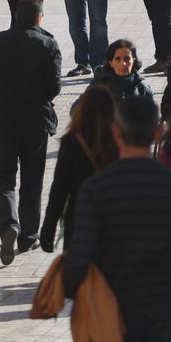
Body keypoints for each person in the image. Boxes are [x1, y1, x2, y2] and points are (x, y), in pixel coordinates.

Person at [63, 94, 171, 342]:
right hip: (168, 306)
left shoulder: (96, 189)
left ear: (115, 131)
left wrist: (70, 288)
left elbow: (81, 253)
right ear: (158, 131)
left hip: (114, 308)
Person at [0, 0, 62, 263]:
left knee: (4, 179)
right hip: (36, 122)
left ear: (15, 16)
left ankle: (9, 226)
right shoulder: (49, 44)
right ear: (39, 18)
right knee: (32, 180)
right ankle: (28, 236)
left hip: (2, 121)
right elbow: (54, 87)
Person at [39, 85, 119, 252]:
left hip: (79, 219)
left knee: (78, 274)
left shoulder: (72, 141)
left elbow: (59, 189)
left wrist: (48, 228)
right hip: (112, 218)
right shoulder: (119, 142)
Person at [88, 39, 156, 107]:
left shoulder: (142, 88)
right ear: (111, 62)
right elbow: (81, 109)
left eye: (127, 59)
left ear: (133, 61)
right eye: (117, 59)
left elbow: (151, 115)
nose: (123, 63)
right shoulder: (98, 85)